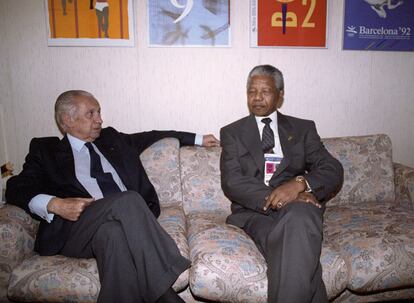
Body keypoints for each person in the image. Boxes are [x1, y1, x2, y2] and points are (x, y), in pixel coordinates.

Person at [6, 90, 220, 303]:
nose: (99, 119)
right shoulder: (46, 150)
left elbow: (153, 135)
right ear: (67, 120)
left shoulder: (112, 139)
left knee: (113, 234)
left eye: (99, 112)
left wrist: (198, 138)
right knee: (129, 199)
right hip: (76, 229)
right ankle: (164, 288)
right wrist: (54, 204)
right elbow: (16, 187)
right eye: (91, 114)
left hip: (115, 225)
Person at [220, 65, 343, 303]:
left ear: (280, 94)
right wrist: (283, 197)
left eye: (265, 91)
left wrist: (299, 184)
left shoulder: (302, 128)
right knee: (298, 246)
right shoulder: (233, 132)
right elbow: (232, 181)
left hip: (299, 209)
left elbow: (332, 169)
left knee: (297, 225)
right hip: (256, 212)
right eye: (251, 91)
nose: (257, 97)